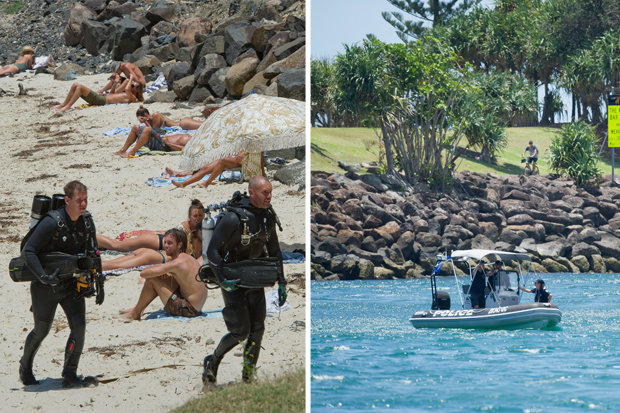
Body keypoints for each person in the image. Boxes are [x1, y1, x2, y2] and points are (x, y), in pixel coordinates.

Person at [202, 176, 286, 384]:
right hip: (232, 280)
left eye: (270, 192)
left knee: (257, 330)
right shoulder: (233, 219)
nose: (269, 196)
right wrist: (222, 279)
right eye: (265, 193)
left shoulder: (267, 216)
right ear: (252, 193)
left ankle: (248, 378)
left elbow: (275, 251)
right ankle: (213, 361)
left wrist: (283, 281)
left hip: (255, 278)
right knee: (240, 332)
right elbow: (213, 252)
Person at [20, 181, 101, 388]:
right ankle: (25, 366)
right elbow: (28, 250)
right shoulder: (51, 222)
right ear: (67, 201)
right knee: (42, 330)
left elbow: (94, 253)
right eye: (79, 200)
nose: (83, 204)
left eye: (85, 200)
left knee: (79, 328)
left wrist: (99, 283)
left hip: (72, 285)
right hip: (45, 286)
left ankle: (69, 374)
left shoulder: (87, 222)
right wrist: (42, 277)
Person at [119, 228, 206, 320]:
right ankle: (137, 309)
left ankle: (135, 313)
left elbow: (144, 274)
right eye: (165, 242)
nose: (165, 246)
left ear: (179, 245)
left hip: (189, 310)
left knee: (152, 280)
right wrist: (166, 274)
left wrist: (161, 272)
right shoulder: (186, 258)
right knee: (159, 279)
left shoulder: (177, 263)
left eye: (169, 243)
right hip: (196, 306)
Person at [96, 199, 205, 257]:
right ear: (189, 217)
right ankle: (92, 238)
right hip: (154, 242)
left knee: (117, 245)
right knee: (116, 245)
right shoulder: (184, 228)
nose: (198, 219)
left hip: (156, 240)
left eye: (200, 216)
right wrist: (139, 233)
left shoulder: (203, 228)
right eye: (195, 216)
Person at [113, 106, 200, 156]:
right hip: (161, 140)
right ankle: (123, 150)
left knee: (147, 129)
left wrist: (169, 144)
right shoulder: (191, 138)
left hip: (164, 144)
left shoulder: (192, 142)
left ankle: (132, 152)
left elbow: (184, 149)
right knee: (135, 127)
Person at [52, 74, 144, 112]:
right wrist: (114, 84)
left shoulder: (133, 99)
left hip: (101, 100)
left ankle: (67, 107)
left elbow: (127, 89)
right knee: (75, 84)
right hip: (102, 98)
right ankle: (63, 104)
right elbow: (112, 94)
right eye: (131, 85)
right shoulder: (127, 95)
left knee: (79, 87)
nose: (130, 86)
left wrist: (131, 78)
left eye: (133, 86)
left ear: (137, 91)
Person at [166, 151, 245, 189]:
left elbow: (242, 159)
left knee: (222, 161)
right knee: (205, 168)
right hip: (235, 158)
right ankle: (183, 183)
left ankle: (206, 183)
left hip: (241, 162)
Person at [101, 247, 170, 272]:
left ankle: (92, 263)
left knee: (112, 262)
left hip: (146, 251)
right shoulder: (180, 254)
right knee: (115, 265)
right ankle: (91, 265)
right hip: (151, 256)